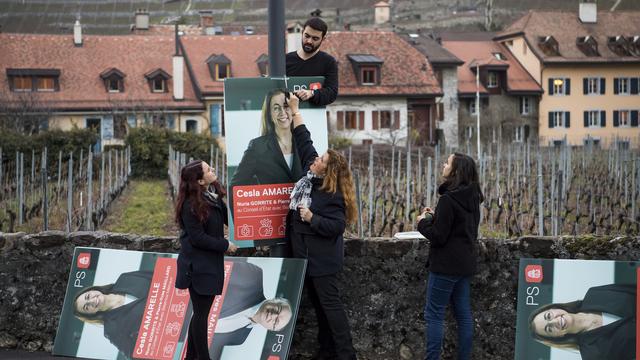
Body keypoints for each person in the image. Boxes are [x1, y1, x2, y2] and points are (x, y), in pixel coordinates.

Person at [286, 93, 357, 359]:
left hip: (323, 262)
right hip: (306, 258)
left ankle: (346, 354)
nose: (316, 160)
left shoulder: (332, 194)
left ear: (327, 171)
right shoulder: (309, 176)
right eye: (319, 158)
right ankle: (326, 351)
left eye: (321, 161)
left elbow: (337, 227)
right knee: (319, 308)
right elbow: (305, 141)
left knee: (331, 308)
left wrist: (311, 219)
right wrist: (295, 110)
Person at [416, 153, 484, 360]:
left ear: (455, 171)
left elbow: (438, 236)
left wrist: (422, 222)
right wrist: (436, 217)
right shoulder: (473, 197)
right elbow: (460, 227)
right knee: (463, 314)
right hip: (465, 264)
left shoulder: (448, 199)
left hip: (446, 265)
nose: (443, 164)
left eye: (447, 162)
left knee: (434, 315)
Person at [175, 159, 238, 360]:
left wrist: (248, 231)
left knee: (200, 313)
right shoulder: (189, 205)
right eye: (208, 169)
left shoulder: (213, 196)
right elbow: (198, 238)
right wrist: (225, 245)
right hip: (197, 266)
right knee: (202, 314)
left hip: (210, 263)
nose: (213, 170)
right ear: (200, 181)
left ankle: (191, 356)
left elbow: (230, 220)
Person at [528, 284, 636, 360]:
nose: (555, 321)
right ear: (558, 337)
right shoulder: (593, 355)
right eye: (549, 329)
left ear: (555, 307)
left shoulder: (594, 293)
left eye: (549, 316)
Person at [210, 261, 293, 359]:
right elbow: (213, 267)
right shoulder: (253, 277)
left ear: (270, 329)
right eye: (278, 309)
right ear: (275, 299)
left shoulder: (239, 339)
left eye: (276, 322)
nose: (273, 315)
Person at [230, 89, 303, 188]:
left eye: (286, 106)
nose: (282, 112)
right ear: (269, 114)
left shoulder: (303, 142)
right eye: (276, 108)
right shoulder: (257, 147)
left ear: (292, 109)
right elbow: (234, 188)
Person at [73, 271, 153, 359]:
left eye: (87, 296)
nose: (91, 301)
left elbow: (159, 274)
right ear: (91, 314)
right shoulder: (112, 329)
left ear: (92, 290)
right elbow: (135, 355)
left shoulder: (124, 278)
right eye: (86, 307)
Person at [286, 17, 338, 106]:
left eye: (315, 38)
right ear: (302, 33)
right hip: (287, 117)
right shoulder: (286, 60)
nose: (309, 41)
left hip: (315, 118)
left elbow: (332, 93)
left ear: (323, 39)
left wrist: (312, 93)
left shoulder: (328, 62)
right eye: (307, 36)